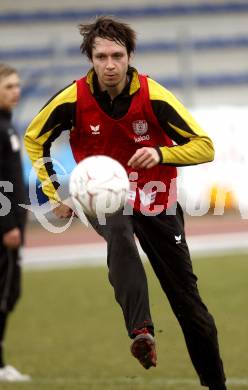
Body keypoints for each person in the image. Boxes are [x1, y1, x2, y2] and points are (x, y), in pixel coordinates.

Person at [24, 17, 227, 389]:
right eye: (101, 56)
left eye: (117, 55)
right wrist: (57, 195)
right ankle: (141, 331)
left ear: (129, 56)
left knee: (189, 304)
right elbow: (34, 138)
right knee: (118, 228)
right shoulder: (72, 99)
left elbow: (205, 146)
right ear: (91, 59)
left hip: (157, 202)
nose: (110, 64)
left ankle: (216, 384)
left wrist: (161, 154)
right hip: (103, 198)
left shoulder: (154, 95)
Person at [0, 64, 30, 382]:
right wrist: (7, 223)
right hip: (5, 228)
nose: (16, 91)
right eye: (8, 86)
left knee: (10, 293)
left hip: (12, 223)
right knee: (5, 293)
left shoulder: (8, 125)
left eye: (17, 85)